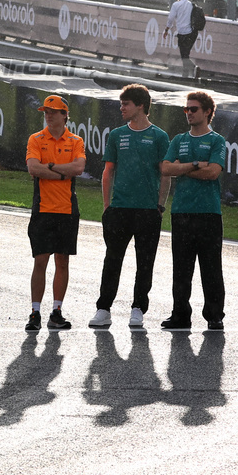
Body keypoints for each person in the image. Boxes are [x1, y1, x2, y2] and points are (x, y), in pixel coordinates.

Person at [89, 84, 171, 330]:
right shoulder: (116, 135)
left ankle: (138, 308)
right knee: (112, 259)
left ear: (141, 106)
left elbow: (165, 175)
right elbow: (108, 172)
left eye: (126, 104)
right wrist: (107, 207)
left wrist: (159, 206)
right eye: (121, 103)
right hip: (119, 209)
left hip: (148, 211)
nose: (121, 108)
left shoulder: (159, 136)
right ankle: (103, 308)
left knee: (145, 261)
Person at [159, 91, 226, 331]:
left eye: (194, 109)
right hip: (182, 211)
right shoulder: (179, 140)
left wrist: (182, 168)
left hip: (209, 212)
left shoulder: (217, 140)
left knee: (211, 267)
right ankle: (180, 315)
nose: (189, 113)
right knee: (181, 267)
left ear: (208, 111)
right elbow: (166, 168)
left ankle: (214, 315)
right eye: (186, 109)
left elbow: (213, 173)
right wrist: (196, 164)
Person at [24, 94, 86, 331]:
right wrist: (62, 171)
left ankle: (57, 311)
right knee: (40, 260)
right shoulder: (36, 139)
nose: (48, 116)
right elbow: (33, 168)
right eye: (46, 112)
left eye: (53, 112)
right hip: (43, 208)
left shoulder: (76, 141)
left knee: (62, 261)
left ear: (64, 115)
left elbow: (79, 168)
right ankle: (35, 312)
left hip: (67, 209)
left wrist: (48, 168)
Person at [164, 0, 198, 78]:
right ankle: (188, 72)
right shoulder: (191, 5)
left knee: (184, 54)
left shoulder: (176, 5)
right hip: (191, 33)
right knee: (185, 54)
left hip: (182, 33)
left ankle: (190, 70)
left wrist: (167, 29)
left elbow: (170, 18)